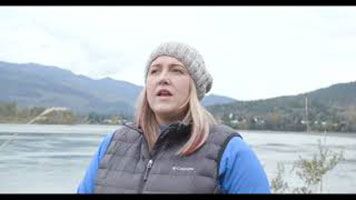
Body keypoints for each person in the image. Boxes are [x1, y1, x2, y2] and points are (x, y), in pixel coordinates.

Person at [77, 41, 270, 194]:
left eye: (176, 70)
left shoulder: (229, 150)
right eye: (155, 71)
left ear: (194, 87)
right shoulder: (113, 144)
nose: (163, 78)